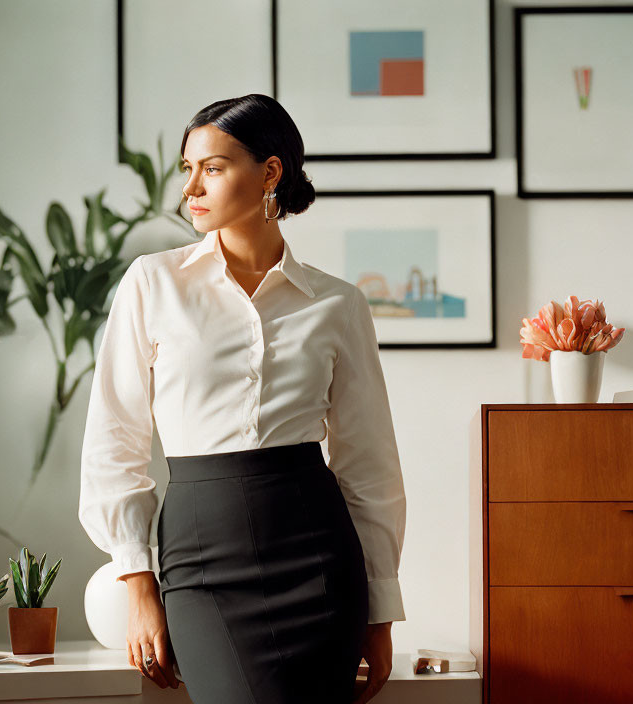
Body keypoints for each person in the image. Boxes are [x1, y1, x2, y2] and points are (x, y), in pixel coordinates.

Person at [78, 93, 407, 704]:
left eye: (213, 167)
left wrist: (380, 607)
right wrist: (139, 588)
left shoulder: (337, 304)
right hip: (202, 559)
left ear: (270, 173)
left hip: (318, 557)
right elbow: (114, 440)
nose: (191, 188)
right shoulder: (154, 282)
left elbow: (369, 463)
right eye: (188, 169)